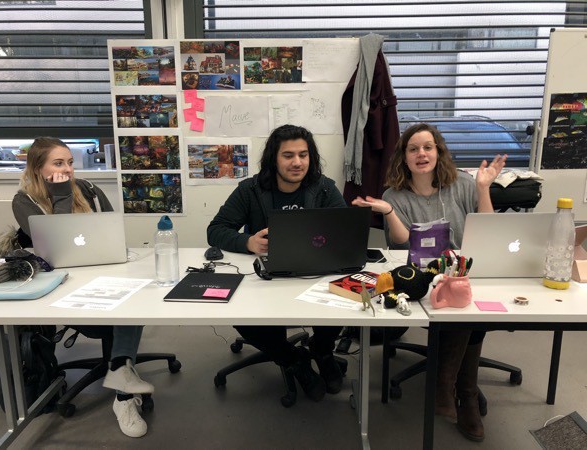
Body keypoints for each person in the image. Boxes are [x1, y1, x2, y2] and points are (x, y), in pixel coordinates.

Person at [352, 123, 507, 442]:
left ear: (438, 152)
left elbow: (488, 229)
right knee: (464, 311)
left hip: (463, 271)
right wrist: (389, 211)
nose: (421, 154)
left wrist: (483, 188)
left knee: (465, 305)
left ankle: (450, 388)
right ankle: (460, 393)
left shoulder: (463, 184)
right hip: (421, 277)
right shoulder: (394, 195)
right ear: (404, 157)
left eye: (427, 147)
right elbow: (400, 242)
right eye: (413, 149)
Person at [11, 137, 153, 438]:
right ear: (37, 168)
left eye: (70, 163)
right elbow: (56, 246)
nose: (68, 169)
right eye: (58, 163)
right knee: (122, 311)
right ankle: (123, 376)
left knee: (135, 297)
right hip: (61, 285)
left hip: (103, 273)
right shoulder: (24, 201)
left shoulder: (89, 190)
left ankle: (122, 391)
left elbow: (114, 232)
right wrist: (61, 194)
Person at [207, 124, 346, 401]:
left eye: (303, 155)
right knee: (239, 313)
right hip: (266, 276)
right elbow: (216, 230)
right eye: (288, 155)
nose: (297, 162)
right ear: (274, 158)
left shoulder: (323, 188)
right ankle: (292, 358)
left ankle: (322, 350)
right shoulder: (250, 189)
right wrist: (248, 242)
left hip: (313, 271)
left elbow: (345, 229)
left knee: (341, 300)